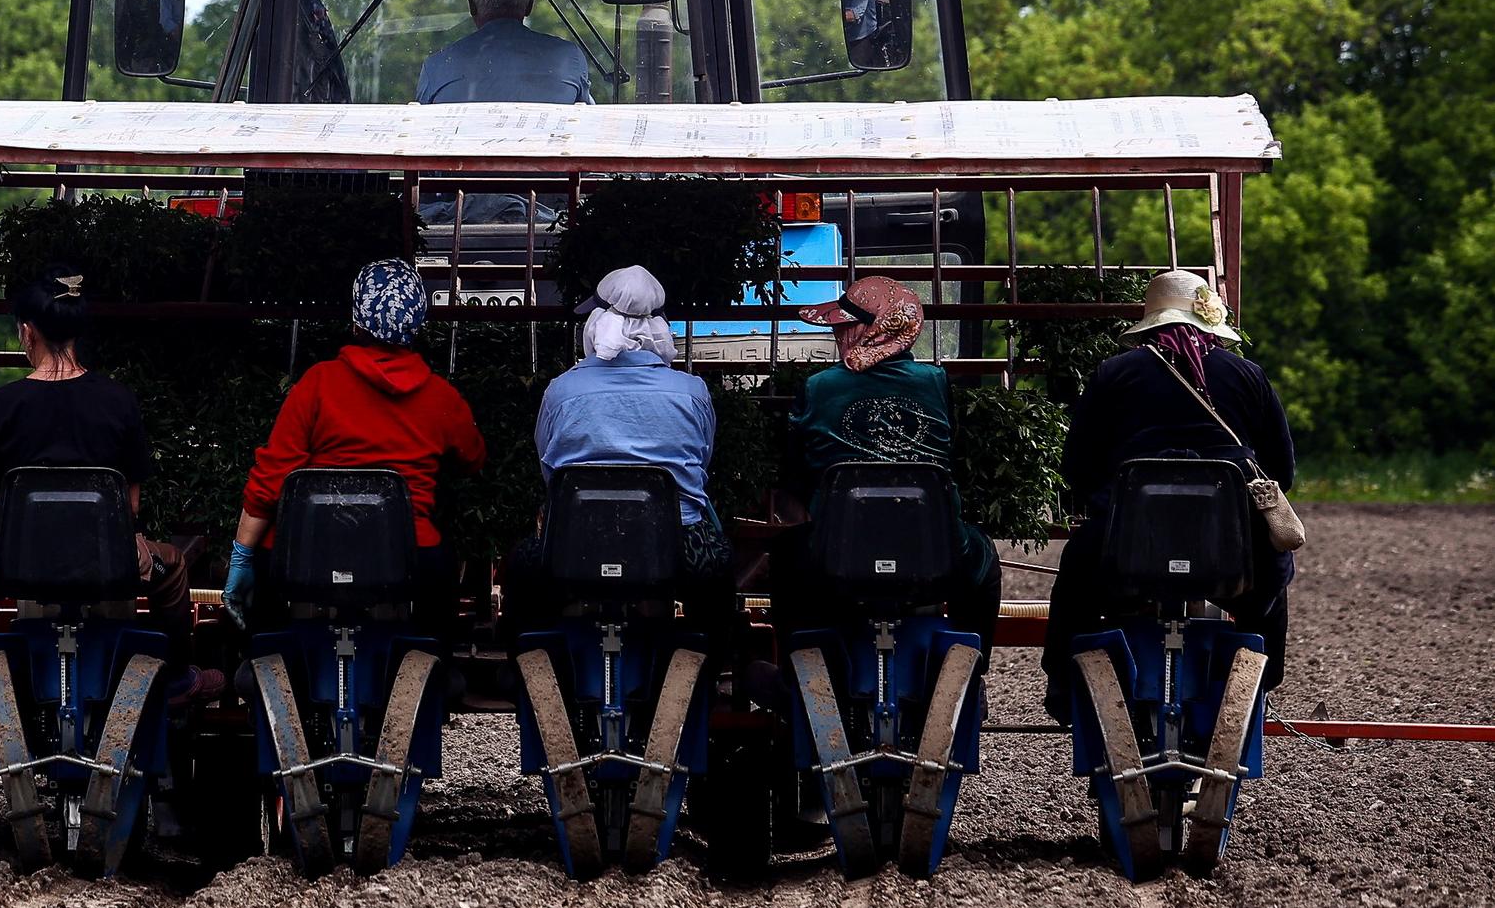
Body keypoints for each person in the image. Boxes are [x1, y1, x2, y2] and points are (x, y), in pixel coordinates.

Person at [1041, 268, 1296, 720]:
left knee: (1075, 583)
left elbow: (1076, 467)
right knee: (1272, 588)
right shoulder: (1248, 375)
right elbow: (1282, 472)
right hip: (1230, 557)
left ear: (1152, 324)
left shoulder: (1114, 373)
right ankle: (1261, 681)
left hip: (1128, 551)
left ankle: (1064, 687)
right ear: (1209, 323)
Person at [0, 265, 199, 696]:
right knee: (172, 566)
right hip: (113, 560)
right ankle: (175, 673)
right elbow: (132, 506)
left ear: (28, 333)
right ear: (78, 331)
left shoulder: (2, 405)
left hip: (15, 564)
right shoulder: (119, 400)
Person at [222, 259, 486, 629]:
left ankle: (267, 671)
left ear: (357, 320)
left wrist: (241, 557)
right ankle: (432, 670)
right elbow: (473, 458)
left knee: (268, 636)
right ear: (417, 323)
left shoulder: (317, 384)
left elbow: (269, 484)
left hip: (307, 553)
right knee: (437, 599)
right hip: (405, 556)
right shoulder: (441, 397)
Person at [774, 274, 1001, 658]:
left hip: (837, 550)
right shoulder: (935, 382)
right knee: (986, 560)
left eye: (847, 326)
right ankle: (973, 666)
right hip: (935, 548)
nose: (838, 335)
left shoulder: (818, 387)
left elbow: (794, 472)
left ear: (874, 328)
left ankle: (797, 670)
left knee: (785, 556)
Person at [503, 264, 731, 636]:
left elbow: (550, 470)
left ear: (597, 323)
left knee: (523, 568)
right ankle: (711, 668)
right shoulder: (692, 392)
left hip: (575, 540)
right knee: (717, 568)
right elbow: (700, 466)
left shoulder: (561, 391)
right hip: (677, 544)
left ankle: (531, 666)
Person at [416, 0, 594, 105]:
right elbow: (590, 126)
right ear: (530, 3)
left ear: (471, 4)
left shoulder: (436, 66)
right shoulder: (568, 58)